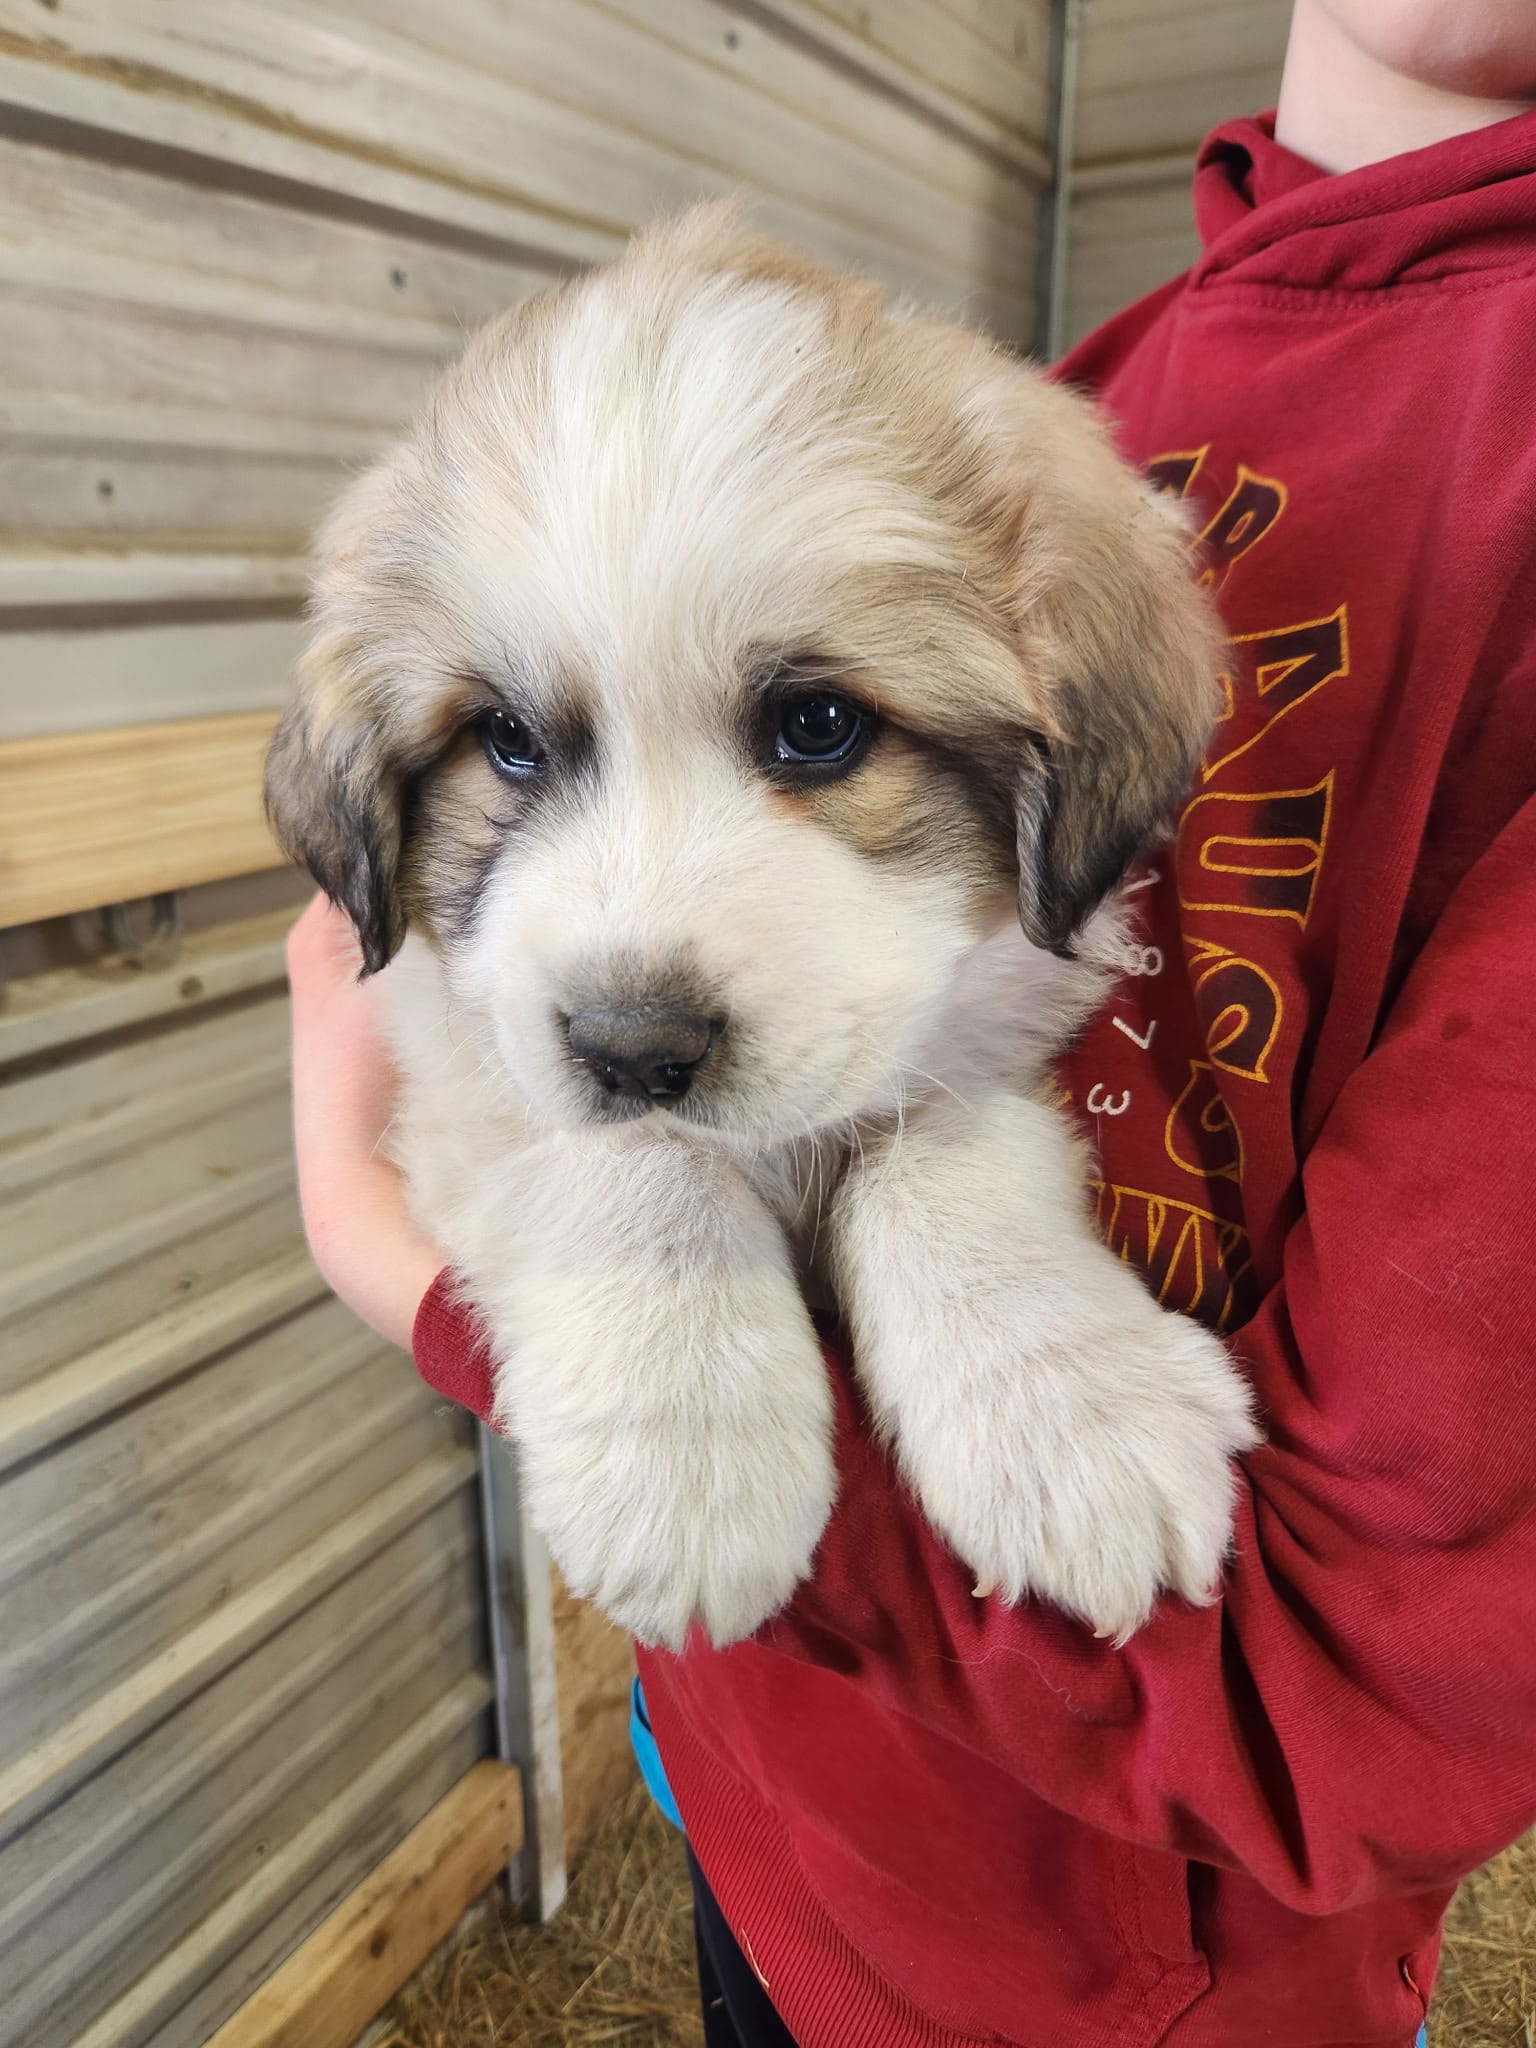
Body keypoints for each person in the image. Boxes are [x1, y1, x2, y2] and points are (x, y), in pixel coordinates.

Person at [284, 1, 1536, 2039]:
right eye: (515, 738)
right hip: (771, 1827)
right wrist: (611, 1230)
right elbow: (423, 983)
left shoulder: (1054, 514)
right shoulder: (1108, 371)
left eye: (812, 727)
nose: (631, 953)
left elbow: (1358, 1667)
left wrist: (409, 1267)